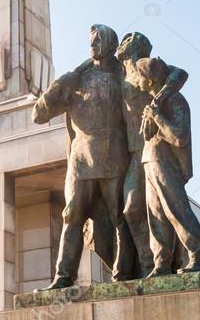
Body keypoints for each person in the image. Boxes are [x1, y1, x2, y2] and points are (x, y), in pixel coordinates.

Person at [32, 24, 134, 286]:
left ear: (111, 45)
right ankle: (64, 277)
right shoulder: (76, 80)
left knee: (120, 216)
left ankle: (124, 274)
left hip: (115, 157)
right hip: (81, 159)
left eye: (98, 40)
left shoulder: (123, 77)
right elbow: (39, 115)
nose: (93, 44)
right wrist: (60, 84)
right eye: (91, 40)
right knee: (71, 216)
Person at [115, 32, 188, 277]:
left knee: (166, 206)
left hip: (152, 148)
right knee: (137, 209)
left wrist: (156, 104)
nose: (120, 45)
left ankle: (171, 261)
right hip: (135, 151)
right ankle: (153, 263)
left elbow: (180, 73)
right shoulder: (118, 73)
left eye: (126, 41)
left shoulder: (143, 66)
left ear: (136, 46)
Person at [135, 56, 200, 277]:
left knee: (176, 209)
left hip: (166, 162)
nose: (136, 80)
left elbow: (179, 137)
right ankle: (161, 264)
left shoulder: (174, 101)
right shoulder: (154, 101)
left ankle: (196, 256)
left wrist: (156, 115)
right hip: (150, 160)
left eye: (140, 76)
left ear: (150, 79)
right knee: (155, 215)